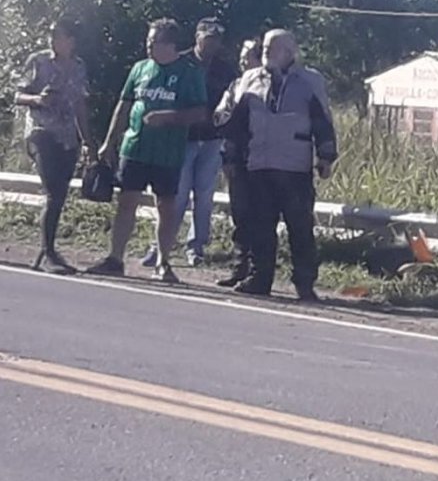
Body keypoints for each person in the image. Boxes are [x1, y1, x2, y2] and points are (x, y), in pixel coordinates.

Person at [219, 29, 337, 301]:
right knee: (260, 226)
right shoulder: (250, 79)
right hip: (258, 164)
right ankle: (260, 279)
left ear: (290, 52)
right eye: (265, 47)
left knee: (300, 228)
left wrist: (326, 156)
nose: (266, 52)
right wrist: (231, 157)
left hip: (294, 167)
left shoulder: (310, 81)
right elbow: (237, 125)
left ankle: (304, 283)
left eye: (273, 48)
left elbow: (323, 121)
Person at [87, 18, 207, 283]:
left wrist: (169, 117)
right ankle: (115, 258)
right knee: (126, 201)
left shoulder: (189, 72)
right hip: (135, 146)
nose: (148, 46)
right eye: (148, 41)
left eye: (154, 42)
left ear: (170, 45)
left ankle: (163, 262)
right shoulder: (140, 68)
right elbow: (124, 105)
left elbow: (200, 111)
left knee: (165, 205)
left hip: (168, 151)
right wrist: (109, 141)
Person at [141, 17, 238, 268]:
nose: (212, 44)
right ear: (197, 37)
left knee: (204, 196)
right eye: (208, 38)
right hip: (182, 138)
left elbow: (232, 106)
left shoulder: (226, 70)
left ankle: (196, 247)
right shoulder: (180, 62)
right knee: (175, 195)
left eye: (216, 39)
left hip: (213, 139)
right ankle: (160, 247)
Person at [14, 18, 96, 274]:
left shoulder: (79, 67)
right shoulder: (38, 61)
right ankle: (48, 252)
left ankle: (46, 250)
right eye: (50, 35)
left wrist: (88, 141)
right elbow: (17, 95)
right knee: (53, 191)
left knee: (60, 193)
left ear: (71, 40)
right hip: (41, 133)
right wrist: (37, 99)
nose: (52, 40)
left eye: (58, 35)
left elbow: (80, 105)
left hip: (67, 137)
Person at [214, 38, 263, 288]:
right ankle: (239, 267)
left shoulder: (269, 86)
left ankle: (258, 269)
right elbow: (220, 116)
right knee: (240, 215)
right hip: (236, 158)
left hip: (263, 159)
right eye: (242, 56)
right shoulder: (235, 86)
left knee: (260, 216)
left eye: (248, 56)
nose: (243, 61)